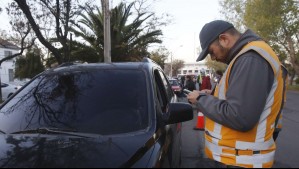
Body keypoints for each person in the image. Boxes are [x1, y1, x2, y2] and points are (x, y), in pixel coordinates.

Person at [187, 20, 286, 168]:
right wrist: (212, 94)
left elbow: (239, 116)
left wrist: (201, 99)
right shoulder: (246, 56)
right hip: (240, 158)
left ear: (224, 39)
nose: (213, 58)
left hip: (244, 160)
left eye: (211, 52)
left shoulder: (250, 58)